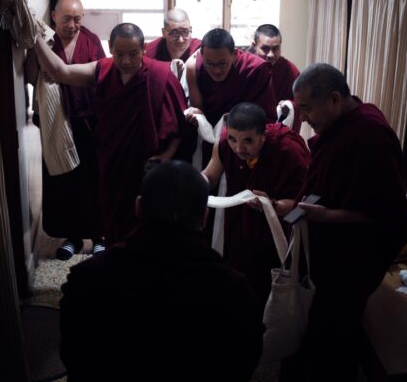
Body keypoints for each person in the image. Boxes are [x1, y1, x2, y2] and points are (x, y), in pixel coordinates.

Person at [59, 161, 264, 382]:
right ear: (204, 217)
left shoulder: (87, 279)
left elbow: (75, 358)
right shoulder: (234, 291)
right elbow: (243, 363)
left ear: (138, 207)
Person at [280, 63, 407, 382]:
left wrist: (324, 215)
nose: (304, 118)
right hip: (333, 240)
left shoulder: (369, 135)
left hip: (354, 253)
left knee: (332, 332)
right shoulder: (349, 121)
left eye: (308, 109)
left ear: (335, 100)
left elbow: (383, 213)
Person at [32, 22, 187, 245]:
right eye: (119, 54)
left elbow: (179, 126)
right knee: (113, 215)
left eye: (133, 54)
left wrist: (167, 156)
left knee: (148, 222)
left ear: (143, 49)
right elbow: (61, 72)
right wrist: (35, 38)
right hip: (112, 159)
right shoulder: (102, 69)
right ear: (110, 48)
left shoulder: (160, 74)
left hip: (148, 166)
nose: (126, 61)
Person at [201, 102, 310, 306]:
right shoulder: (225, 142)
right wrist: (193, 183)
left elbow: (300, 203)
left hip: (276, 227)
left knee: (268, 284)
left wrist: (271, 205)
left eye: (248, 141)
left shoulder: (287, 150)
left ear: (264, 135)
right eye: (233, 139)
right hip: (239, 222)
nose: (238, 148)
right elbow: (211, 174)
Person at [24, 0, 106, 259]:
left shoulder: (91, 40)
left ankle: (98, 236)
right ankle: (71, 237)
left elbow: (102, 77)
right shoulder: (46, 41)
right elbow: (29, 76)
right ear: (54, 18)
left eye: (78, 19)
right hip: (56, 122)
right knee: (64, 181)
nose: (73, 25)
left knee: (93, 180)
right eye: (67, 18)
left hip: (88, 122)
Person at [186, 28, 277, 129]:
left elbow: (265, 118)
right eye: (210, 64)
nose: (216, 71)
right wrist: (198, 115)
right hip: (209, 134)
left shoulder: (256, 69)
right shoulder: (196, 67)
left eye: (222, 64)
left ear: (234, 54)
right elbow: (200, 114)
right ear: (202, 55)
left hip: (244, 134)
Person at [252, 24, 302, 133]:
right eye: (265, 49)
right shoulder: (247, 68)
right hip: (249, 129)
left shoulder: (290, 70)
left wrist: (289, 106)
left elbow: (301, 103)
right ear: (254, 46)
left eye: (276, 49)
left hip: (278, 129)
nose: (271, 55)